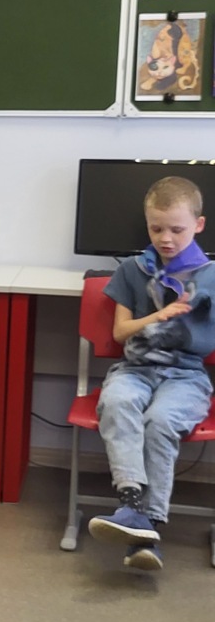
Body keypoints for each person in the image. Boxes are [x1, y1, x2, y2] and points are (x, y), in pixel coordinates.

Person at [88, 176, 215, 572]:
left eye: (176, 229)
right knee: (117, 401)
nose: (166, 238)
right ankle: (132, 506)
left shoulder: (210, 275)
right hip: (136, 368)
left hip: (187, 377)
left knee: (160, 421)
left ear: (198, 225)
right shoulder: (133, 269)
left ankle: (148, 525)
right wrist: (159, 315)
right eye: (156, 229)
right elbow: (120, 332)